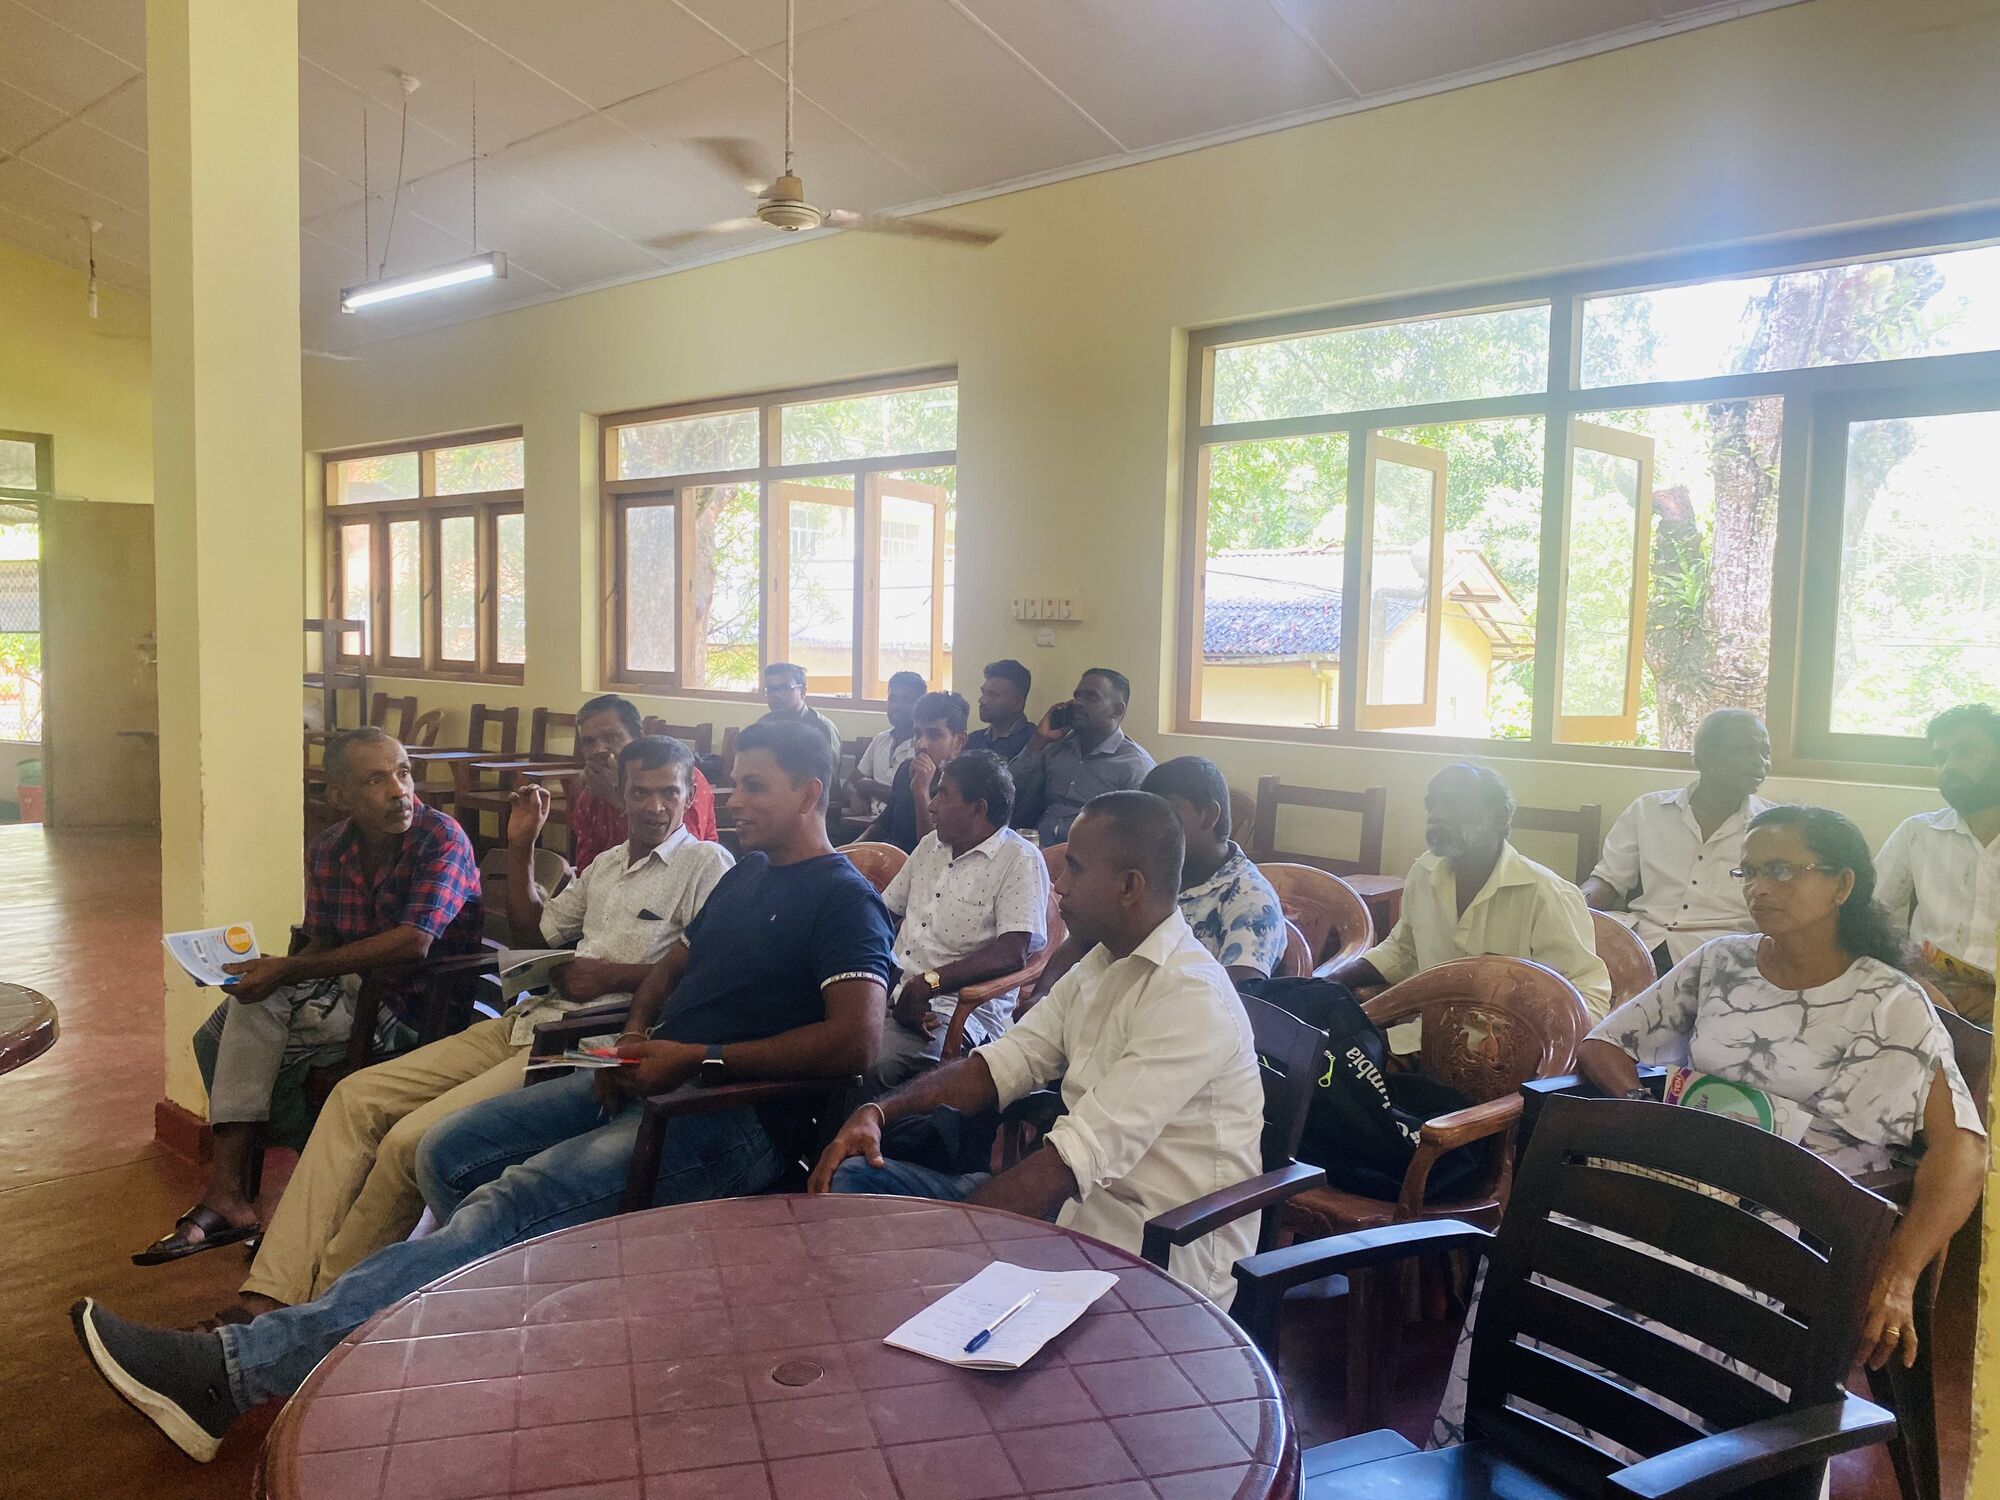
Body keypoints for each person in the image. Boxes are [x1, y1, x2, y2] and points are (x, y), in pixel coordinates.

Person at [74, 721, 895, 1461]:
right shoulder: (749, 878)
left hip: (729, 1118)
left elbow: (857, 1041)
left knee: (510, 1201)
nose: (733, 800)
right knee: (445, 1149)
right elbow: (676, 964)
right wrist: (643, 1034)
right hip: (646, 1074)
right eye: (735, 782)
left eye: (753, 785)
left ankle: (237, 1373)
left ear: (808, 793)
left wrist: (700, 1057)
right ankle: (415, 1327)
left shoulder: (841, 899)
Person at [1434, 805, 1988, 1447]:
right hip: (1695, 1171)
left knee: (1676, 1281)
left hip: (1804, 1205)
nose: (1759, 888)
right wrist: (1650, 1110)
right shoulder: (1722, 962)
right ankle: (1515, 1447)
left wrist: (1899, 1274)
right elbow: (1604, 1044)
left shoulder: (1891, 1001)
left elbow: (1963, 1152)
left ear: (1842, 885)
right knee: (1537, 1240)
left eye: (1781, 871)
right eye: (1748, 872)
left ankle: (1647, 1465)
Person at [222, 736, 731, 1319]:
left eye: (669, 792)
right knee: (355, 1097)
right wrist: (521, 847)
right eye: (640, 792)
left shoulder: (707, 865)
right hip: (528, 1019)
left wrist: (610, 975)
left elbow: (711, 975)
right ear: (620, 793)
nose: (655, 807)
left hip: (582, 1042)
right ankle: (272, 1292)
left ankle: (325, 1314)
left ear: (690, 794)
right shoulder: (608, 865)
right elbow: (535, 934)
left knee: (408, 1141)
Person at [809, 790, 1264, 1309]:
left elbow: (1072, 1160)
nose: (1059, 885)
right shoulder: (1103, 963)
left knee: (918, 1287)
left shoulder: (1190, 998)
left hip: (1149, 1256)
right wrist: (878, 1112)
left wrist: (948, 1248)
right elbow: (1004, 1063)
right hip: (1070, 1217)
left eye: (1075, 868)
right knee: (853, 1179)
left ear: (1129, 886)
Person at [137, 729, 482, 1265]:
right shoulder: (330, 849)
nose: (399, 791)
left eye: (403, 773)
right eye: (376, 780)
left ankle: (237, 1196)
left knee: (250, 1020)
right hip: (347, 994)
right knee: (217, 1033)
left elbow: (413, 943)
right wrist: (269, 967)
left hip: (413, 1007)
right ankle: (291, 1189)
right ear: (340, 795)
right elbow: (322, 940)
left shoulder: (441, 838)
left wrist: (289, 971)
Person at [1326, 762, 1612, 1020]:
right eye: (1432, 806)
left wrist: (1530, 1044)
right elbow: (1403, 951)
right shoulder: (1424, 872)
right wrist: (1329, 979)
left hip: (1507, 1048)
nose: (1436, 816)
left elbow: (1588, 996)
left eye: (1454, 804)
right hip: (1422, 1037)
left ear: (1499, 817)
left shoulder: (1546, 894)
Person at [866, 751, 1050, 1093]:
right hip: (892, 993)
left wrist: (928, 984)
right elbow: (883, 914)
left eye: (943, 794)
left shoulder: (1019, 859)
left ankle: (860, 1127)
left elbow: (1012, 953)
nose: (931, 805)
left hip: (954, 1010)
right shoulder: (930, 846)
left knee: (867, 1061)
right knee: (815, 1031)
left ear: (979, 809)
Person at [1583, 708, 1774, 975]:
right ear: (1706, 756)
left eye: (1765, 752)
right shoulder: (1648, 810)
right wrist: (1572, 908)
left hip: (1723, 958)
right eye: (1746, 750)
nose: (1761, 763)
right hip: (1643, 945)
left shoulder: (1771, 829)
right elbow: (1607, 881)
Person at [1876, 702, 2000, 1022]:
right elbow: (1871, 913)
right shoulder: (1917, 833)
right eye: (1940, 757)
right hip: (1923, 998)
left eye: (1965, 752)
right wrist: (1910, 979)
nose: (1949, 767)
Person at [1142, 755, 1287, 986]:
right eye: (1150, 811)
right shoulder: (1148, 875)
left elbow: (1238, 993)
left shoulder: (1250, 896)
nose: (1152, 824)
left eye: (1169, 809)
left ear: (1209, 816)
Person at [564, 695, 717, 864]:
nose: (598, 750)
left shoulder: (679, 781)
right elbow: (587, 867)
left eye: (610, 737)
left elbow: (682, 860)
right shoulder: (592, 793)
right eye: (589, 742)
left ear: (638, 737)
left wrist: (617, 799)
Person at [1010, 667, 1155, 844]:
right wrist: (1038, 741)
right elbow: (1010, 792)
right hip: (1037, 849)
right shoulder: (1056, 747)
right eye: (1077, 696)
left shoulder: (1135, 765)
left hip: (1092, 855)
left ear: (1117, 710)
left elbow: (1137, 837)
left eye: (1092, 697)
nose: (1078, 703)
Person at [864, 689, 968, 853]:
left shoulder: (963, 786)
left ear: (959, 742)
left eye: (934, 735)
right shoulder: (906, 769)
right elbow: (885, 822)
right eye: (918, 734)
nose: (921, 744)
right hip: (893, 859)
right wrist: (847, 852)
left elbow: (934, 852)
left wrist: (921, 792)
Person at [850, 670, 925, 818]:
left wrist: (871, 787)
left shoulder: (925, 745)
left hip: (903, 824)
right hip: (867, 822)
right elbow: (852, 782)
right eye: (892, 699)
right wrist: (854, 795)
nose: (897, 706)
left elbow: (911, 799)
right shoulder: (880, 739)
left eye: (906, 700)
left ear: (921, 704)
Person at [757, 661, 842, 762]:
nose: (776, 695)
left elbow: (828, 771)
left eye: (785, 688)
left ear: (802, 692)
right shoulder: (763, 725)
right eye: (771, 689)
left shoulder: (822, 728)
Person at [964, 658, 1035, 762]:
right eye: (983, 692)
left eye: (993, 695)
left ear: (1018, 703)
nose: (982, 700)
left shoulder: (1035, 742)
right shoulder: (972, 741)